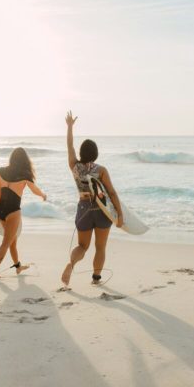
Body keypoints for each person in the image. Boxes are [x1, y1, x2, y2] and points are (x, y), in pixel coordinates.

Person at [61, 111, 123, 288]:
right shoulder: (101, 169)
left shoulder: (74, 166)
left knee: (82, 246)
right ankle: (96, 278)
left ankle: (71, 265)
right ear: (96, 154)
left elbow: (69, 145)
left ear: (81, 153)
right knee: (100, 247)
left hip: (83, 209)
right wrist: (120, 215)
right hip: (101, 211)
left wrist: (70, 127)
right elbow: (111, 192)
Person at [0, 147, 47, 279]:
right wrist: (43, 195)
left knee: (12, 241)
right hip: (13, 211)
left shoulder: (0, 171)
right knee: (6, 242)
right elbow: (35, 190)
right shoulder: (25, 174)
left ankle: (18, 267)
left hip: (1, 210)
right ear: (24, 160)